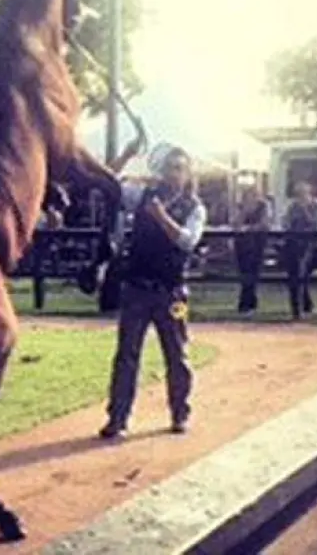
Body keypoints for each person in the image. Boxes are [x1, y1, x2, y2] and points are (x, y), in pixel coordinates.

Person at [99, 144, 207, 440]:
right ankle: (118, 418)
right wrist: (126, 153)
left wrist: (161, 217)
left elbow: (187, 241)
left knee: (177, 353)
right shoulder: (143, 195)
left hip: (173, 293)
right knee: (126, 355)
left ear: (187, 174)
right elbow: (110, 182)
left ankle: (179, 413)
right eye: (170, 167)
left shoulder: (195, 207)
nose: (173, 174)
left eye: (179, 168)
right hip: (137, 289)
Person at [282, 181, 317, 320]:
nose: (300, 196)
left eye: (303, 193)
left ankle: (302, 307)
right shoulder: (292, 207)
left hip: (307, 244)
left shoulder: (315, 205)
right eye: (298, 193)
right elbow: (286, 223)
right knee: (294, 275)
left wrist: (304, 209)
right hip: (292, 243)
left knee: (302, 274)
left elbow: (314, 223)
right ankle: (297, 308)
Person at [232, 186, 272, 316]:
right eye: (249, 194)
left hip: (257, 243)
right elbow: (236, 224)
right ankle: (245, 304)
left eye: (255, 194)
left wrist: (250, 228)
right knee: (244, 273)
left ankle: (249, 304)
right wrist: (244, 211)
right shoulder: (239, 206)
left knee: (254, 272)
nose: (252, 197)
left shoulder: (264, 206)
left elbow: (265, 223)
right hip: (242, 244)